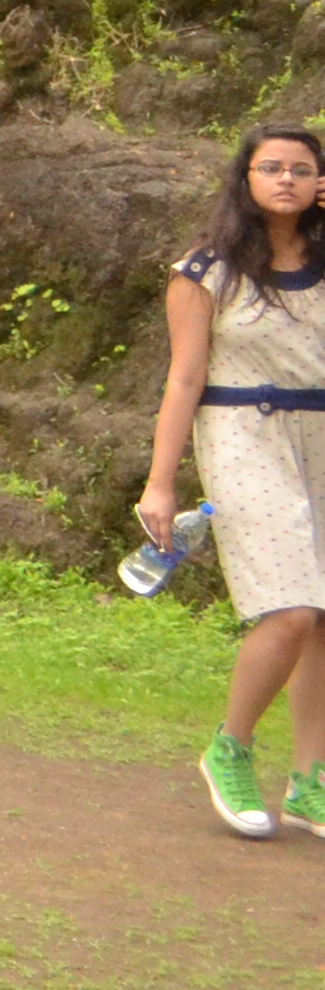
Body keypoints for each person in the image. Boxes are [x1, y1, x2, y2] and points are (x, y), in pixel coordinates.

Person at [139, 121, 325, 837]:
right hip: (245, 432)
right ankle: (231, 748)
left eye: (301, 169)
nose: (285, 179)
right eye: (270, 167)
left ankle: (311, 781)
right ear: (244, 179)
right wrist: (161, 483)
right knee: (289, 609)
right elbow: (184, 379)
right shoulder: (206, 271)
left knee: (323, 618)